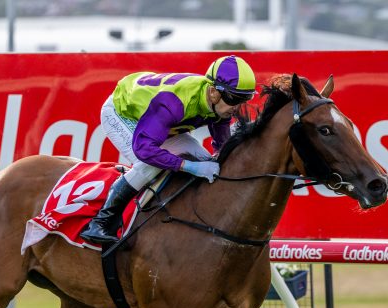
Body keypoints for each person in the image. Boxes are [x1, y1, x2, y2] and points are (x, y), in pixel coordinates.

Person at [80, 55, 257, 245]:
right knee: (150, 165)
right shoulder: (174, 103)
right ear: (213, 92)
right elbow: (145, 150)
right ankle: (100, 222)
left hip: (156, 118)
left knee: (205, 159)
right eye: (234, 98)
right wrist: (188, 166)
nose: (237, 107)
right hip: (122, 113)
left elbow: (222, 147)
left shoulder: (221, 105)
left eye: (244, 99)